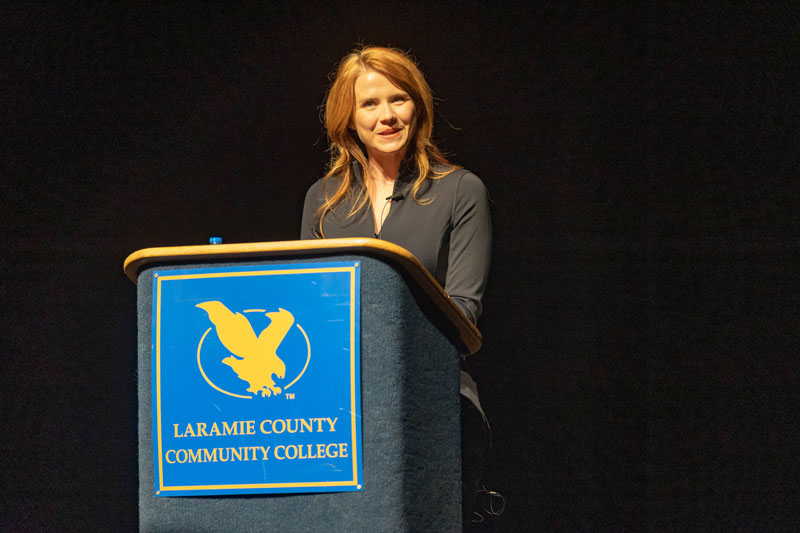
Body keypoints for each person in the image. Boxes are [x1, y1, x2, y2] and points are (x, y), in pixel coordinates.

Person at [300, 45, 492, 525]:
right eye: (369, 103)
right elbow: (307, 306)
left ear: (417, 108)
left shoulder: (459, 190)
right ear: (348, 117)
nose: (386, 115)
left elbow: (464, 312)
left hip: (432, 395)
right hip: (337, 407)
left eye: (398, 99)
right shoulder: (322, 201)